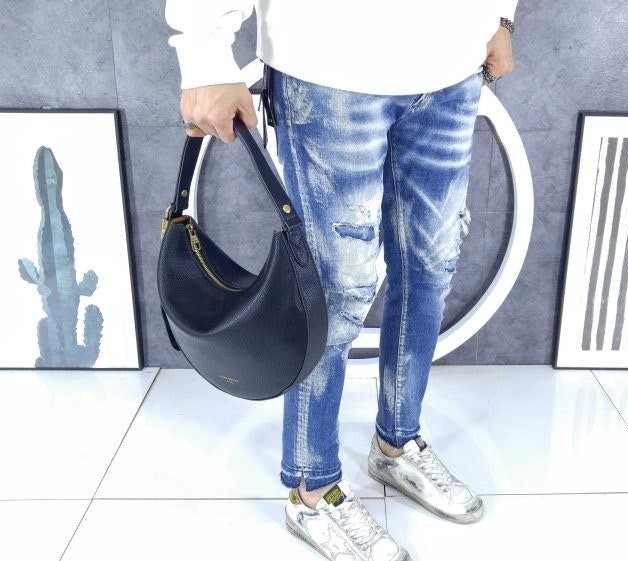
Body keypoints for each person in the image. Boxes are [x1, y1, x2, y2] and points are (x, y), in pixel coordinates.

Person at [165, 2, 516, 559]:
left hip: (453, 65)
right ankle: (313, 488)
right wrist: (204, 50)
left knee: (430, 266)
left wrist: (499, 15)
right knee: (334, 291)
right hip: (330, 64)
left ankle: (397, 445)